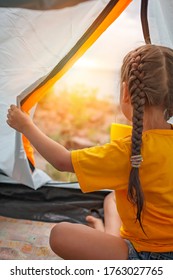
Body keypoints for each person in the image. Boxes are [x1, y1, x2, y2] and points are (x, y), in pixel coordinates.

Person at [6, 44, 173, 260]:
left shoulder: (128, 151)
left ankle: (110, 244)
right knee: (112, 199)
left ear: (125, 93)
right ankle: (110, 237)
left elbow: (63, 161)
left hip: (147, 258)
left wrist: (26, 126)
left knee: (60, 234)